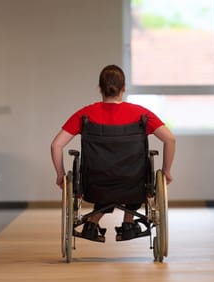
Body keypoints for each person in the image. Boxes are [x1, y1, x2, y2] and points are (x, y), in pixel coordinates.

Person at [51, 64, 176, 240]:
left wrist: (60, 174)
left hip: (94, 183)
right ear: (123, 88)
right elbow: (170, 139)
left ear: (100, 88)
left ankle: (92, 223)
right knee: (131, 176)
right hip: (133, 183)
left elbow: (56, 145)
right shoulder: (141, 115)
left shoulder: (85, 115)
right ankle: (128, 223)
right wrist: (166, 171)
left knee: (107, 177)